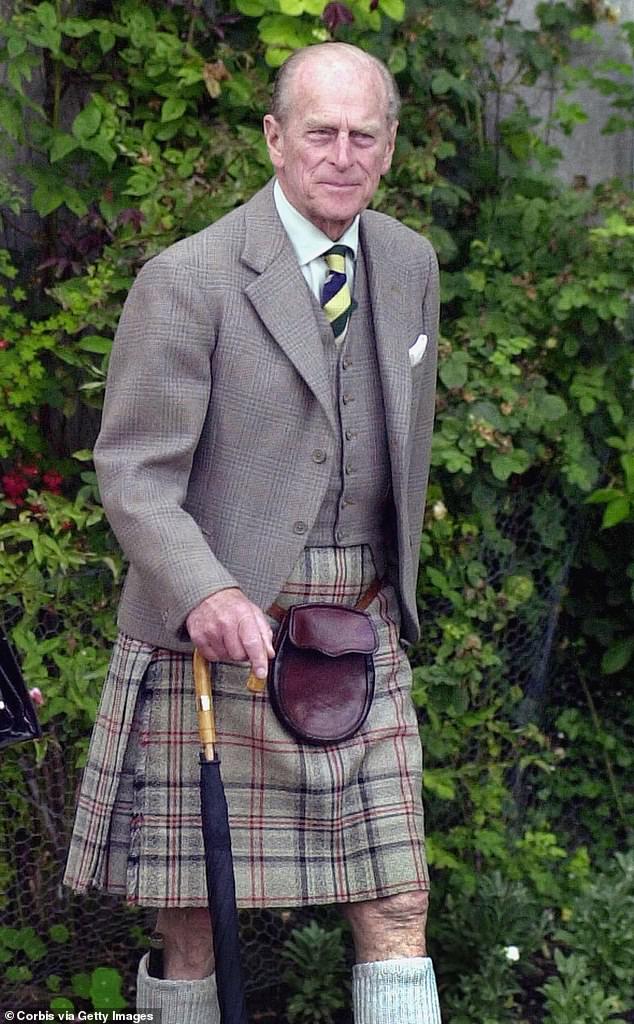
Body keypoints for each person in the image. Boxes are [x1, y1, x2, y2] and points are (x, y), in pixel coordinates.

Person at [64, 41, 441, 1024]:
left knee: (400, 897)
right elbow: (134, 469)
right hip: (218, 633)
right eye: (321, 132)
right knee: (192, 914)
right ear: (275, 139)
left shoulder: (407, 264)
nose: (343, 154)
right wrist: (206, 590)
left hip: (358, 626)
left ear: (390, 148)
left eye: (365, 135)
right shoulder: (189, 279)